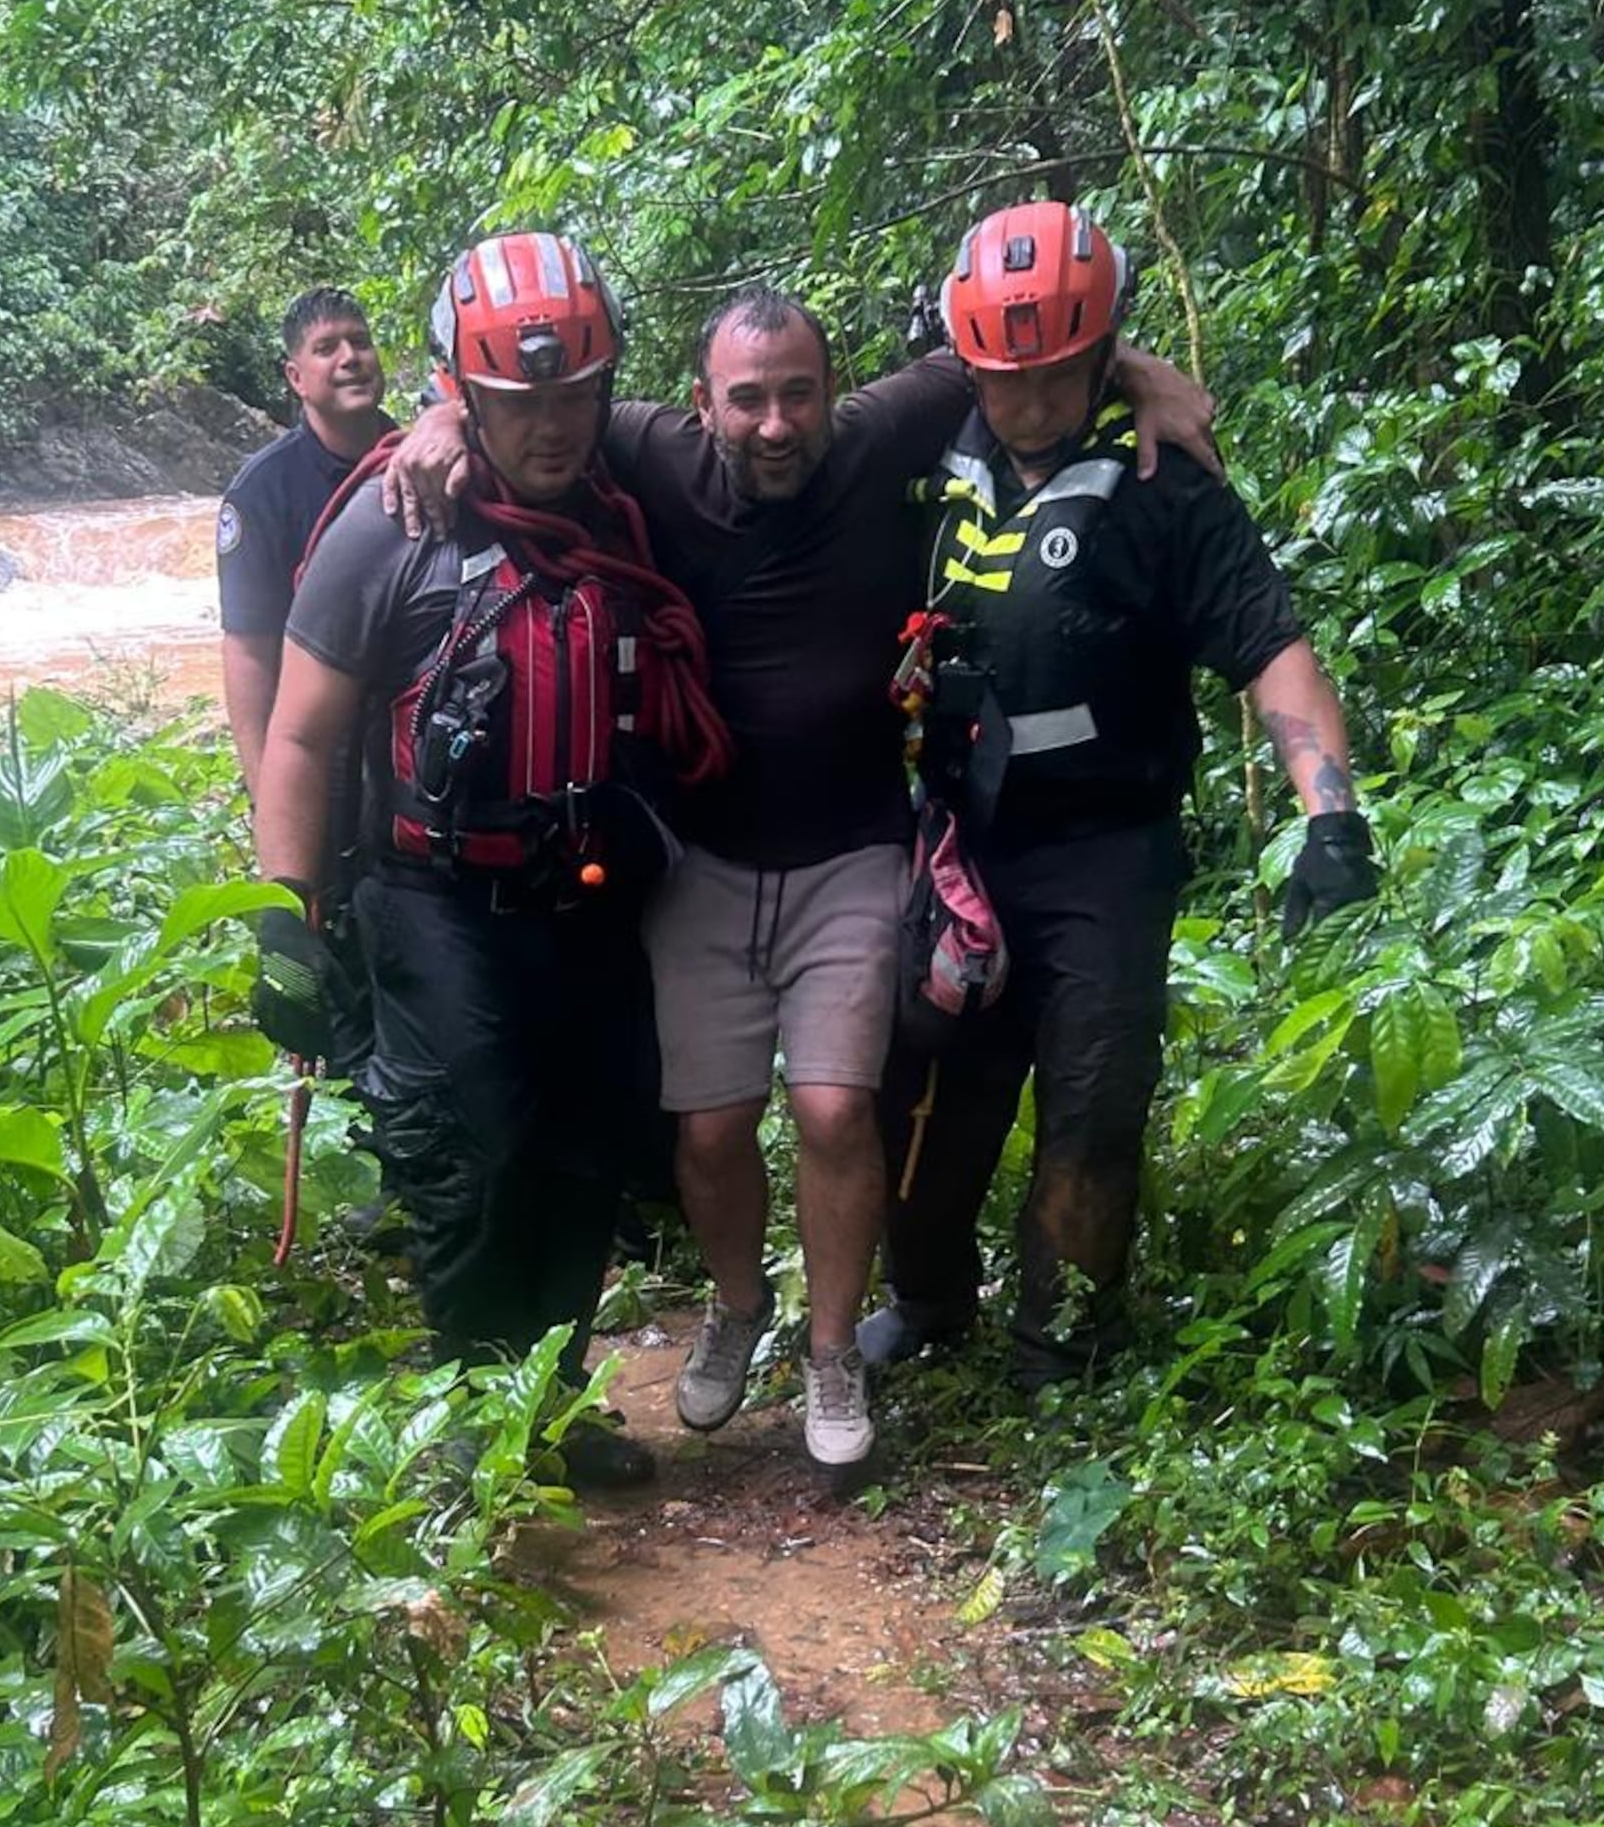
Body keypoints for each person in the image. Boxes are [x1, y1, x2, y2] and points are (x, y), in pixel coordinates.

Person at [385, 290, 1221, 1473]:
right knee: (713, 1126)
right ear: (698, 404)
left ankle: (833, 1353)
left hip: (851, 849)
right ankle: (736, 1306)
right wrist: (437, 423)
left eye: (796, 395)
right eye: (746, 399)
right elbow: (532, 403)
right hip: (702, 859)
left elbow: (1027, 354)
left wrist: (1141, 370)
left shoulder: (889, 427)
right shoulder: (645, 447)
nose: (774, 423)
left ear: (836, 391)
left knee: (833, 1108)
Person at [864, 198, 1378, 1389]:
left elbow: (1268, 645)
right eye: (1002, 373)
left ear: (1102, 352)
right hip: (953, 838)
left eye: (1055, 371)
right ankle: (929, 1296)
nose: (1027, 396)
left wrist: (1330, 812)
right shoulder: (929, 450)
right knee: (919, 1081)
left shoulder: (1163, 481)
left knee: (1094, 1099)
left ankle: (1063, 1335)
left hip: (1102, 844)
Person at [251, 234, 730, 1488]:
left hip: (590, 889)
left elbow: (821, 432)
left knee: (585, 1146)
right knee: (479, 1145)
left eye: (577, 394)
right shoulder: (391, 521)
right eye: (520, 402)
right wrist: (283, 921)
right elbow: (301, 731)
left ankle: (553, 1397)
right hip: (432, 894)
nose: (555, 424)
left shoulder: (628, 496)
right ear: (462, 395)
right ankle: (477, 1412)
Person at [217, 287, 394, 801]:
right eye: (327, 348)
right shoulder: (263, 492)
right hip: (321, 743)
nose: (350, 359)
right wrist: (265, 794)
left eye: (360, 342)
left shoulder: (419, 460)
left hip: (415, 735)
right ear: (295, 378)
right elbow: (250, 653)